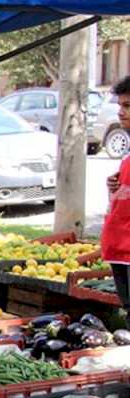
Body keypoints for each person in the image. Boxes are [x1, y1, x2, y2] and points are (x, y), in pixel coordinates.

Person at [101, 76, 130, 324]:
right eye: (120, 106)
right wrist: (116, 185)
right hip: (120, 249)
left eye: (128, 106)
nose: (121, 112)